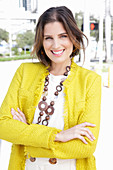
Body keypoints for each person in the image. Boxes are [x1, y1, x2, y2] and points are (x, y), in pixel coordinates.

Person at [0, 6, 101, 170]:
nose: (56, 45)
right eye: (48, 38)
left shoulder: (90, 81)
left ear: (73, 37)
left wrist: (25, 135)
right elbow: (3, 126)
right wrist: (59, 136)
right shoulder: (25, 72)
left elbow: (85, 146)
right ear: (41, 40)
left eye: (63, 36)